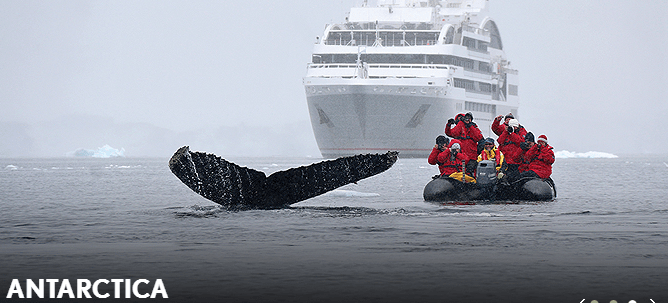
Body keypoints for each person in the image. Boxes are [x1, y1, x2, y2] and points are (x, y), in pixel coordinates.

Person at [445, 112, 483, 177]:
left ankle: (470, 181)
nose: (467, 120)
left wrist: (470, 125)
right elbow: (452, 133)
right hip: (461, 155)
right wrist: (450, 125)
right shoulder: (460, 126)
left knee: (470, 171)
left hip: (472, 156)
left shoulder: (473, 127)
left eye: (469, 118)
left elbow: (478, 137)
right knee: (460, 170)